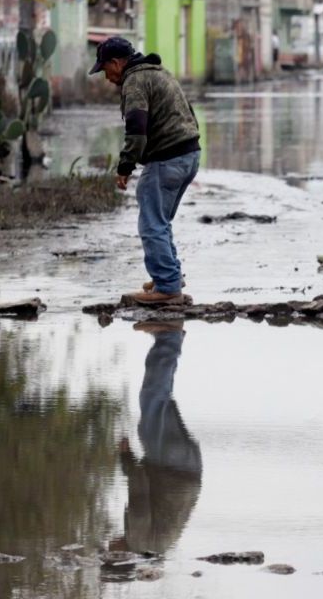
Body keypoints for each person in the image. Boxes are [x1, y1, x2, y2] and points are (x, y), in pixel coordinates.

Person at [91, 37, 201, 306]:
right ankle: (170, 276)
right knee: (160, 221)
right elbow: (189, 111)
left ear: (117, 63)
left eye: (105, 69)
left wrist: (126, 165)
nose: (106, 77)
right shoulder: (158, 72)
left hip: (168, 158)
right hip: (190, 154)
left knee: (151, 224)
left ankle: (167, 286)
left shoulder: (135, 81)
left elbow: (136, 128)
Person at [114, 321, 202, 556]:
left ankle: (171, 340)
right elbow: (139, 494)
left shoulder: (155, 549)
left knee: (161, 398)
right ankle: (169, 338)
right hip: (170, 465)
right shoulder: (138, 540)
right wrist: (126, 457)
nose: (108, 545)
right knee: (152, 396)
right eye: (108, 552)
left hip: (190, 469)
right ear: (117, 555)